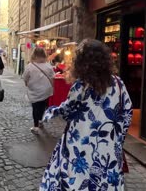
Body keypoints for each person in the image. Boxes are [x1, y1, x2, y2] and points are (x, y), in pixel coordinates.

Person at [40, 39, 133, 191]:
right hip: (107, 148)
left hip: (79, 147)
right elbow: (127, 113)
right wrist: (116, 139)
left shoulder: (81, 86)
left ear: (82, 63)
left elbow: (67, 111)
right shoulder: (118, 83)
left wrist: (51, 111)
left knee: (77, 182)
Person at [22, 47, 55, 134]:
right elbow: (52, 78)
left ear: (34, 55)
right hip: (46, 90)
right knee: (43, 106)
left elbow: (25, 78)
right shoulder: (48, 66)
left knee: (36, 108)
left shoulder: (30, 66)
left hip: (35, 91)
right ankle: (40, 121)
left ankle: (36, 126)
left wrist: (26, 83)